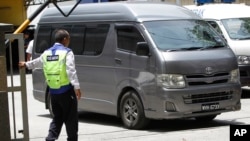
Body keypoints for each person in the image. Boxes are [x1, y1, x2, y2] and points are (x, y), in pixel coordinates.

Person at [19, 29, 82, 141]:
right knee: (71, 119)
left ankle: (50, 138)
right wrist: (77, 87)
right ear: (64, 39)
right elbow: (70, 70)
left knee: (57, 117)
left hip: (53, 92)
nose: (69, 41)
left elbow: (37, 62)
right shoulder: (67, 52)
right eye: (69, 39)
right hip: (67, 91)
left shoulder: (47, 52)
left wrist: (26, 64)